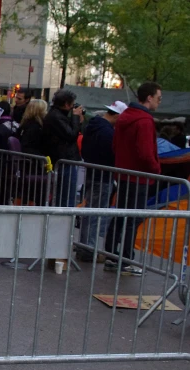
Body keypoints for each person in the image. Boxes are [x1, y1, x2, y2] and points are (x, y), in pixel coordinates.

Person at [104, 82, 162, 275]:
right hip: (139, 177)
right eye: (158, 98)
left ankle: (112, 256)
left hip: (124, 174)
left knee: (120, 215)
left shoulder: (125, 117)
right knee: (132, 218)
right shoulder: (144, 121)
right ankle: (126, 260)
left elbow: (115, 146)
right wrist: (155, 169)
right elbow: (146, 153)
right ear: (149, 98)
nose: (159, 101)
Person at [76, 101, 127, 262]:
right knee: (95, 213)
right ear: (117, 116)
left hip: (93, 172)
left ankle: (85, 247)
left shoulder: (93, 127)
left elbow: (85, 148)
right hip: (102, 176)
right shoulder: (107, 133)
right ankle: (89, 250)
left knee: (89, 212)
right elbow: (111, 155)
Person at [42, 89, 83, 207]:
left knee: (66, 194)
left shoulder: (58, 115)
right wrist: (75, 118)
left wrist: (77, 120)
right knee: (67, 195)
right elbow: (71, 135)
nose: (73, 108)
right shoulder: (56, 117)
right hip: (64, 159)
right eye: (72, 104)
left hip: (65, 159)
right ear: (66, 104)